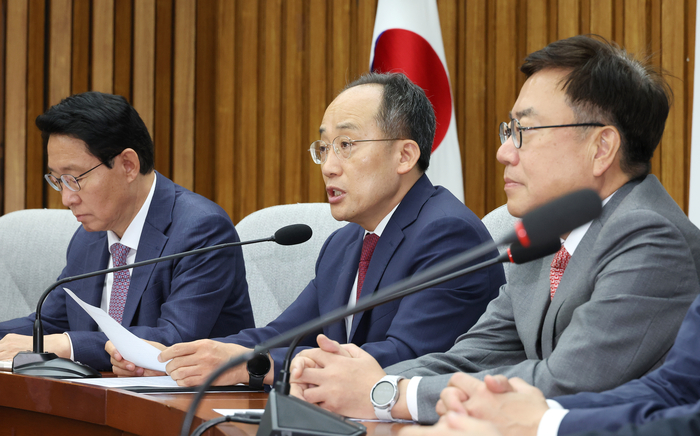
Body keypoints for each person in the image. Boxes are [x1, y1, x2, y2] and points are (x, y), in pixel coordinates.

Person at [287, 35, 700, 423]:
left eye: (523, 131)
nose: (504, 152)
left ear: (601, 148)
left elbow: (565, 384)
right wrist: (344, 382)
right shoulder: (549, 232)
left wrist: (386, 394)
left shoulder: (651, 238)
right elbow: (471, 355)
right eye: (509, 131)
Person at [106, 72, 504, 388]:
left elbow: (402, 357)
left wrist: (248, 366)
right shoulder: (346, 241)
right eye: (324, 147)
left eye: (347, 144)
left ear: (405, 154)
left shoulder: (448, 234)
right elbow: (284, 334)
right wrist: (179, 356)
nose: (329, 166)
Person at [0, 91, 254, 370]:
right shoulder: (89, 237)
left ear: (128, 165)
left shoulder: (202, 229)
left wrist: (66, 345)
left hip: (191, 403)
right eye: (58, 180)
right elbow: (49, 323)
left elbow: (175, 340)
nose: (67, 198)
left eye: (75, 179)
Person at [423, 292, 700, 436]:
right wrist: (526, 409)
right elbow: (676, 387)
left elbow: (568, 376)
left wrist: (544, 424)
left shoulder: (647, 231)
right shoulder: (539, 243)